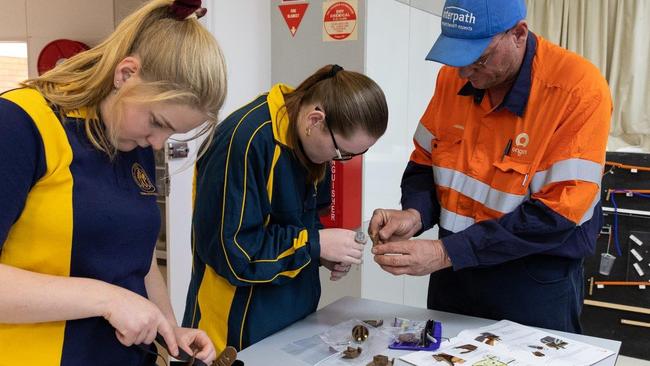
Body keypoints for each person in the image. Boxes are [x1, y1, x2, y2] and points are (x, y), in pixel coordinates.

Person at [0, 0, 227, 364]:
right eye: (157, 121)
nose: (157, 143)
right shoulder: (20, 125)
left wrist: (170, 331)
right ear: (125, 74)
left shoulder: (128, 139)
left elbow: (139, 253)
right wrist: (106, 298)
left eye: (171, 133)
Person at [369, 0, 611, 333]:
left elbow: (556, 215)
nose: (465, 73)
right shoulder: (453, 78)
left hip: (531, 279)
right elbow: (425, 164)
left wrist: (444, 252)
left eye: (478, 59)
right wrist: (415, 214)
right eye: (457, 59)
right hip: (454, 274)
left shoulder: (577, 90)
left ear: (519, 34)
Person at [183, 64, 388, 351]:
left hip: (293, 322)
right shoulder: (244, 141)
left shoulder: (313, 145)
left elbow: (304, 224)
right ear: (315, 120)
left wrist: (323, 252)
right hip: (232, 335)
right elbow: (234, 255)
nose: (341, 160)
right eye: (343, 152)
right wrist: (313, 245)